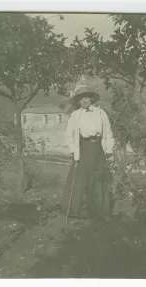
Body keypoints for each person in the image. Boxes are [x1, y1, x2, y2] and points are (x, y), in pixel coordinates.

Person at [60, 77, 115, 220]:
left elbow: (108, 132)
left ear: (91, 99)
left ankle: (98, 210)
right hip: (83, 148)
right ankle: (79, 210)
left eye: (86, 98)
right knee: (80, 178)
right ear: (78, 101)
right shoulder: (75, 115)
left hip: (97, 149)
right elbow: (70, 135)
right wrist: (73, 151)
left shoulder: (101, 113)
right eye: (81, 99)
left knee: (98, 177)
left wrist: (109, 149)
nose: (84, 101)